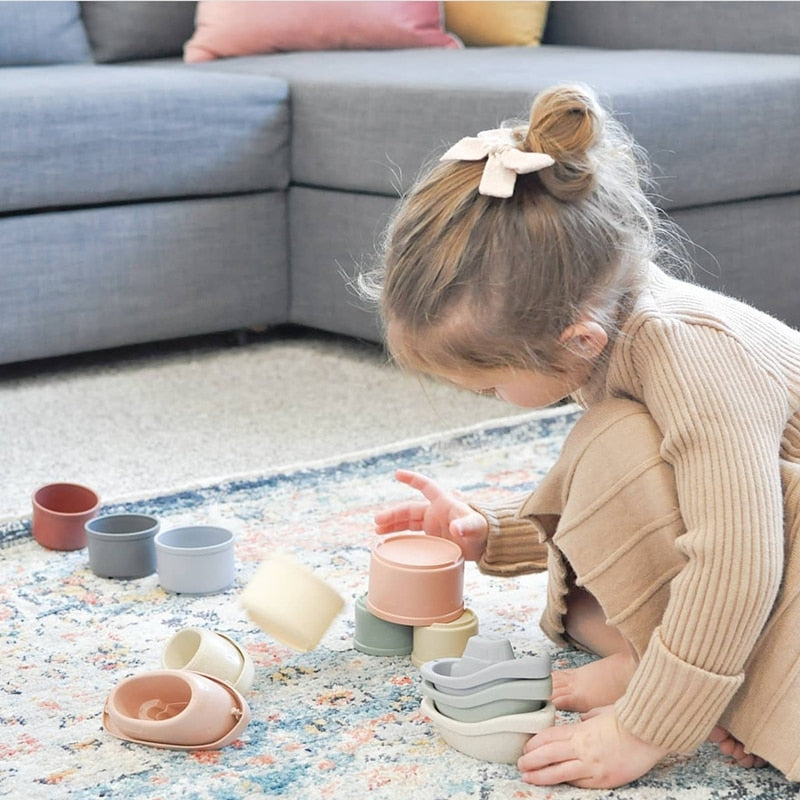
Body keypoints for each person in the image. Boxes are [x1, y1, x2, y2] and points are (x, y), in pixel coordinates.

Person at [359, 84, 800, 789]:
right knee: (614, 442)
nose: (493, 403)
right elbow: (646, 495)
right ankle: (687, 673)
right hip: (760, 536)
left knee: (636, 460)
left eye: (492, 387)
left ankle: (698, 686)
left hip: (776, 551)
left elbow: (737, 561)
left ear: (577, 340)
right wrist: (491, 536)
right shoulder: (610, 340)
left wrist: (643, 730)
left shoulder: (695, 354)